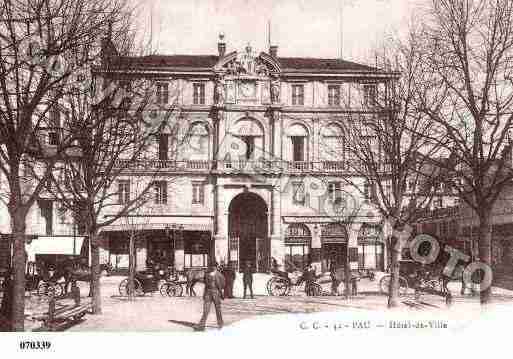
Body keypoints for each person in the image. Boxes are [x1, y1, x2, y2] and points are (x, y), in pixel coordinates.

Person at [194, 264, 225, 331]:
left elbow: (223, 284)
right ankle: (202, 325)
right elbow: (205, 283)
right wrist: (204, 294)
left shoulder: (219, 275)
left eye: (214, 266)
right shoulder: (207, 274)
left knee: (218, 310)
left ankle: (220, 323)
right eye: (211, 266)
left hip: (216, 293)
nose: (212, 267)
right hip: (208, 293)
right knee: (205, 310)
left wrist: (219, 291)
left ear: (216, 267)